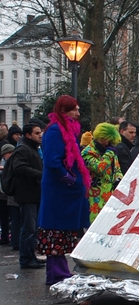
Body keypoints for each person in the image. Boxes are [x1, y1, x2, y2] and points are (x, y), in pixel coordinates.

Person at [37, 95, 91, 285]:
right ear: (63, 111)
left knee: (64, 232)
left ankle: (60, 272)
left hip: (67, 191)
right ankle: (57, 274)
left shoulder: (68, 129)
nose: (78, 112)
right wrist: (69, 178)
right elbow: (52, 160)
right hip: (58, 191)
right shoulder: (54, 131)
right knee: (56, 231)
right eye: (74, 109)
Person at [12, 123, 44, 269]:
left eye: (40, 133)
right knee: (28, 228)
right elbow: (19, 168)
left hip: (34, 193)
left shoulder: (32, 148)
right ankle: (26, 259)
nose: (40, 136)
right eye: (37, 133)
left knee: (33, 228)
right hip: (27, 195)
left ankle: (31, 256)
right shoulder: (23, 149)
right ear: (28, 135)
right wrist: (40, 175)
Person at [82, 123, 123, 223]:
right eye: (104, 139)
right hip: (94, 196)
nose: (106, 143)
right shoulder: (88, 152)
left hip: (110, 194)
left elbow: (117, 169)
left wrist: (119, 180)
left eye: (109, 140)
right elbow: (99, 168)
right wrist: (108, 154)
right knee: (95, 223)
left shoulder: (111, 151)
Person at [0, 144, 13, 245]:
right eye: (10, 153)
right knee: (4, 218)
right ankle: (5, 237)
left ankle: (10, 236)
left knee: (11, 217)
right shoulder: (4, 163)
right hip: (2, 194)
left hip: (9, 195)